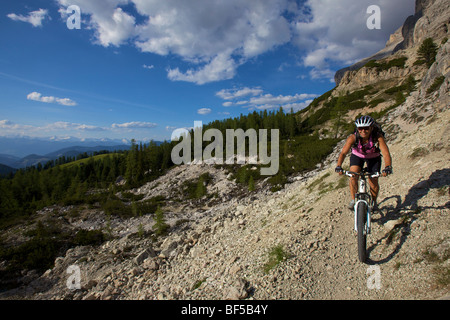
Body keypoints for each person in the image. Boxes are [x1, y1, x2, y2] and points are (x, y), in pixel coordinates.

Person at [335, 115, 392, 210]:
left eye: (366, 128)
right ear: (357, 129)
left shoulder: (377, 137)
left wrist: (388, 166)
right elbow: (343, 153)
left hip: (374, 157)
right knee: (353, 176)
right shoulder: (353, 137)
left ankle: (373, 202)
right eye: (360, 128)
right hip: (358, 156)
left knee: (373, 181)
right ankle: (354, 200)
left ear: (371, 128)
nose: (363, 131)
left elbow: (386, 153)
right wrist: (338, 166)